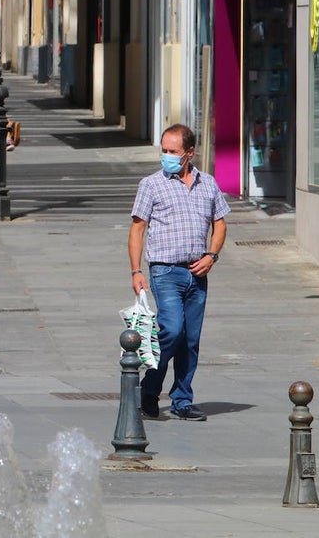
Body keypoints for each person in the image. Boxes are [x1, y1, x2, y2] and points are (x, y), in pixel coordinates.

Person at [129, 124, 229, 422]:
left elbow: (220, 223)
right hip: (165, 271)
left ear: (189, 153)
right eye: (164, 150)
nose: (167, 156)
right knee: (172, 330)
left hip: (197, 273)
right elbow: (137, 229)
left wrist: (212, 256)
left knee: (190, 340)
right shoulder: (151, 184)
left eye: (173, 151)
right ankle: (149, 388)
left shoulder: (207, 183)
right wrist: (136, 270)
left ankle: (182, 400)